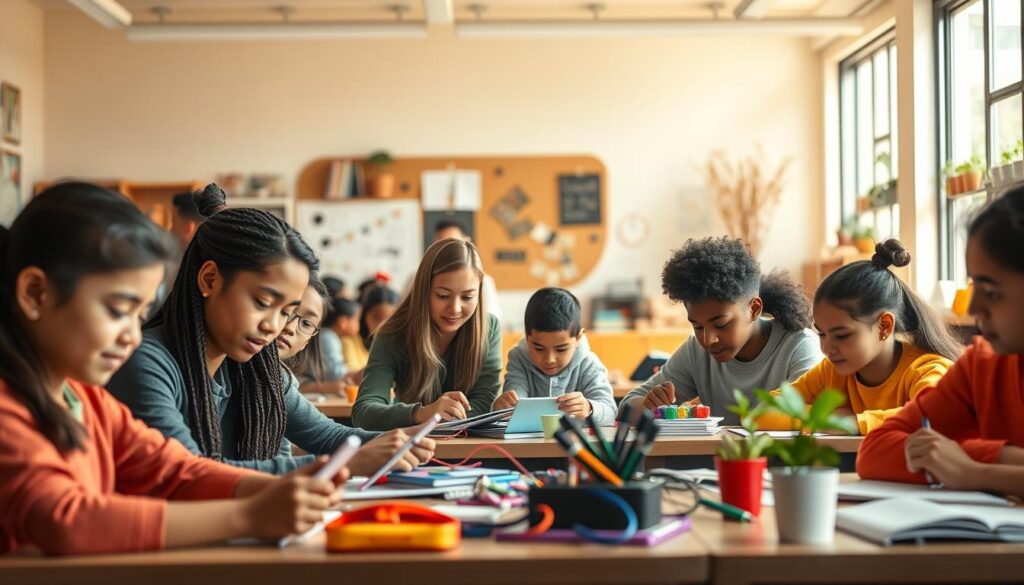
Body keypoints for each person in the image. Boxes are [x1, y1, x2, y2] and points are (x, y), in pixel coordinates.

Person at [0, 183, 346, 555]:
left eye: (139, 314)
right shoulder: (8, 410)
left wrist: (283, 485)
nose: (132, 337)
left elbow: (177, 470)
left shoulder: (88, 401)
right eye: (118, 311)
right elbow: (65, 519)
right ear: (36, 294)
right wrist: (248, 515)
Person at [108, 184, 433, 474]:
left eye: (288, 312)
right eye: (263, 302)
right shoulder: (148, 362)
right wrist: (343, 463)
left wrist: (401, 441)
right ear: (209, 279)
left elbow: (328, 436)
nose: (273, 326)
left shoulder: (260, 368)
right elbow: (188, 472)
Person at [856, 186, 1024, 497]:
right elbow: (875, 452)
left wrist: (977, 472)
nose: (973, 309)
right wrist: (998, 458)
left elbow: (965, 468)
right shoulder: (981, 367)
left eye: (991, 291)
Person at [759, 239, 960, 434]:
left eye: (842, 335)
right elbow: (762, 411)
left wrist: (854, 422)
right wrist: (825, 418)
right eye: (821, 333)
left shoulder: (926, 370)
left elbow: (935, 416)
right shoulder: (831, 372)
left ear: (884, 326)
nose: (827, 348)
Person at [619, 236, 822, 424]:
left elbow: (817, 417)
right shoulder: (696, 351)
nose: (708, 339)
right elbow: (626, 406)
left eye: (721, 325)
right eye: (697, 326)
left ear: (754, 309)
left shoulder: (799, 346)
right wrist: (649, 404)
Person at [353, 239, 502, 431]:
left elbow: (484, 404)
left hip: (472, 448)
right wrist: (423, 413)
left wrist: (443, 417)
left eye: (467, 297)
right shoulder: (393, 333)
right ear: (424, 291)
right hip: (410, 450)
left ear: (479, 293)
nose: (455, 308)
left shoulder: (489, 329)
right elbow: (363, 413)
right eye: (442, 295)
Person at [494, 287, 617, 425]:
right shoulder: (519, 359)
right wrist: (503, 408)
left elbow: (610, 411)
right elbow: (515, 402)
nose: (549, 359)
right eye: (539, 348)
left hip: (576, 444)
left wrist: (589, 408)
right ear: (528, 338)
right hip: (531, 445)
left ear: (578, 338)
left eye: (561, 349)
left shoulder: (589, 363)